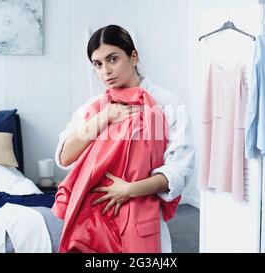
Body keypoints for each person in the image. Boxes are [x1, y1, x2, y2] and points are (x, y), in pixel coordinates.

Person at [53, 24, 195, 253]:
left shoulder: (166, 104)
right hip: (93, 226)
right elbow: (65, 155)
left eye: (112, 59)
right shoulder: (95, 108)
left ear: (134, 56)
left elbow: (179, 170)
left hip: (140, 221)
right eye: (97, 64)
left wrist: (129, 190)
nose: (105, 71)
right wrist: (105, 117)